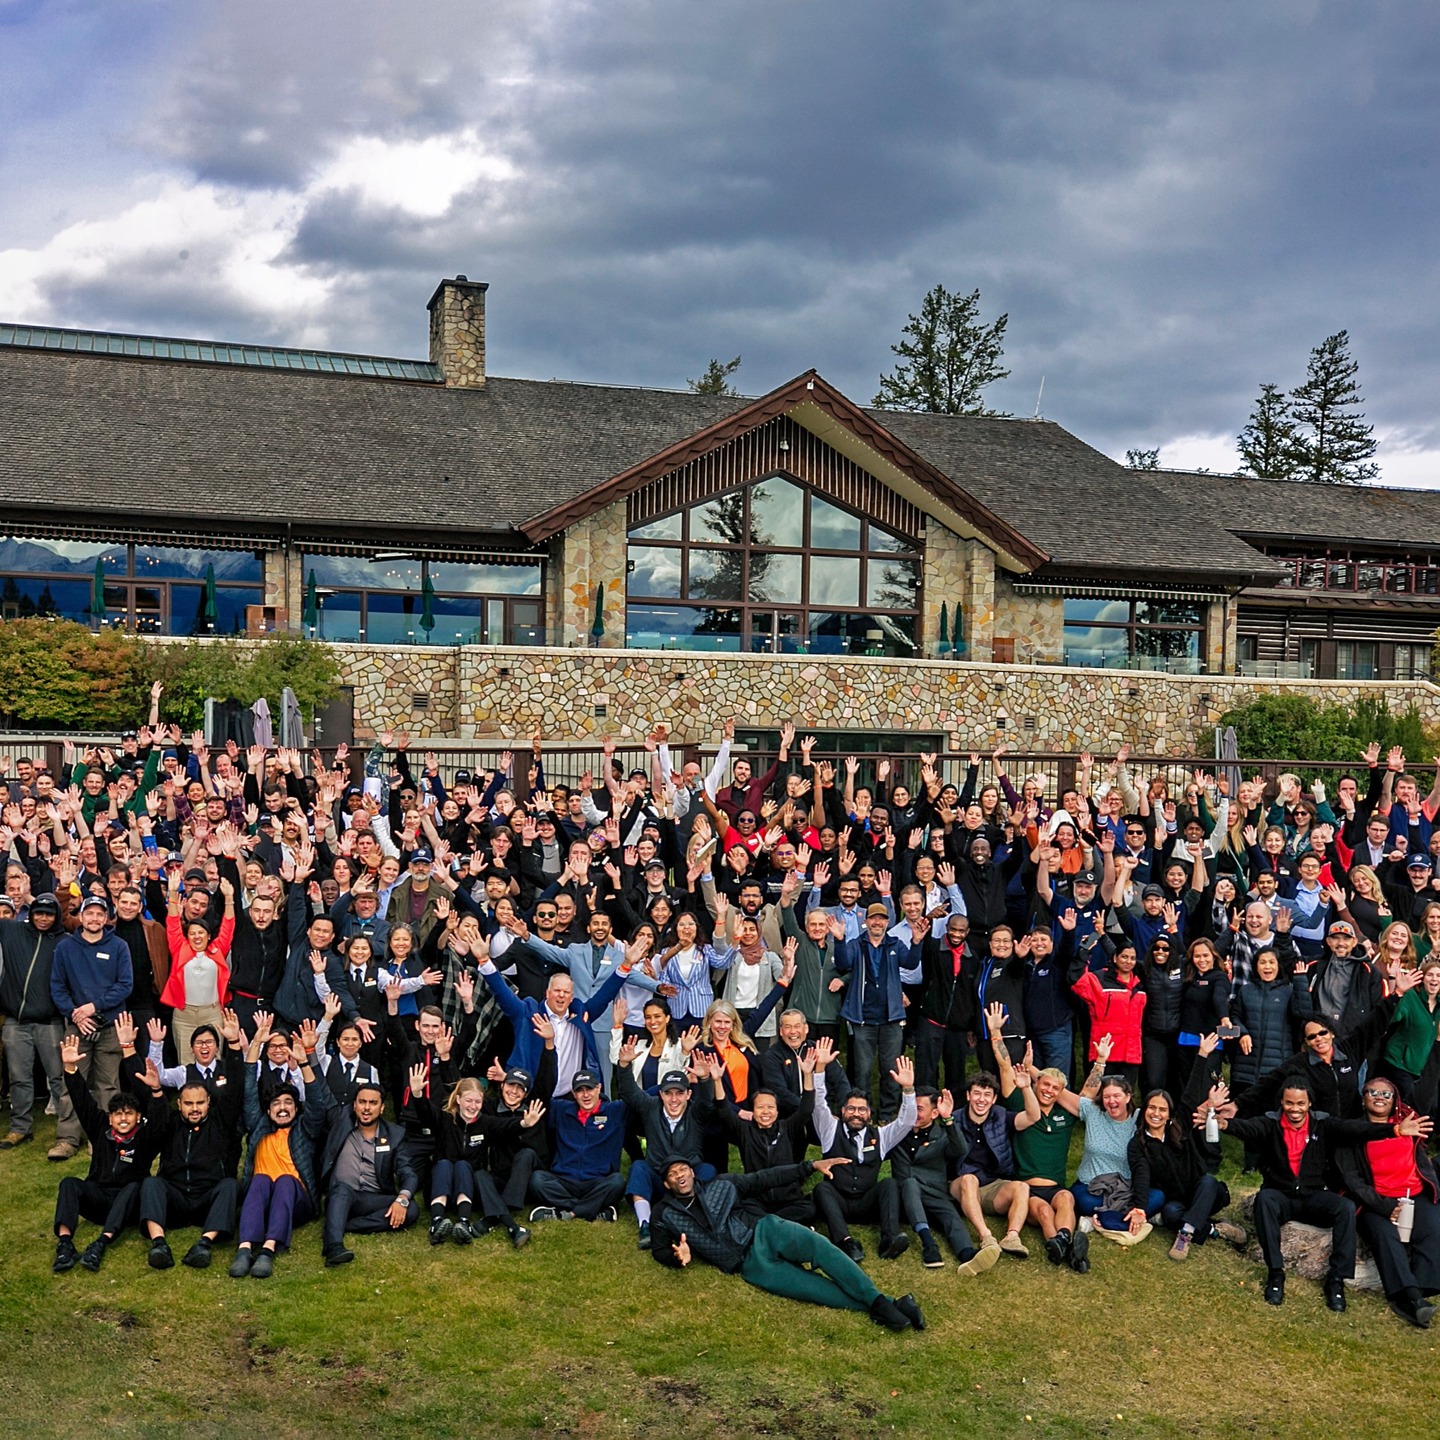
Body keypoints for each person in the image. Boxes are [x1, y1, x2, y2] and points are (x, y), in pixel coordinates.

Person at [650, 1156, 925, 1332]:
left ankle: (877, 1300)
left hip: (766, 1230)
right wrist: (677, 1257)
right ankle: (893, 1305)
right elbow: (660, 1249)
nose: (680, 1175)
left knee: (820, 1248)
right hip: (750, 1264)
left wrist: (809, 1166)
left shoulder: (722, 1185)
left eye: (683, 1169)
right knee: (814, 1289)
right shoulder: (664, 1214)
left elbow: (766, 1177)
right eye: (673, 1174)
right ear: (666, 1183)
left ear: (692, 1172)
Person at [1214, 1079, 1391, 1309]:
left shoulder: (1322, 1124)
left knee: (1345, 1207)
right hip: (1281, 1196)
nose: (1294, 1109)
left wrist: (1394, 1130)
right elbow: (1249, 1128)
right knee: (1264, 1199)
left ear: (1309, 1104)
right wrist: (1225, 1125)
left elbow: (1357, 1129)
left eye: (1300, 1103)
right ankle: (1275, 1274)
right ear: (1282, 1102)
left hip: (1312, 1197)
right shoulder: (1271, 1123)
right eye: (1289, 1103)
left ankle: (1336, 1280)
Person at [128, 1027, 245, 1271]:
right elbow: (149, 1101)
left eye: (200, 1103)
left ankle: (204, 1244)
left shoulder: (220, 1121)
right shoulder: (170, 1122)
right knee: (151, 1183)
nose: (194, 1109)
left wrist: (234, 1044)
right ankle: (159, 1244)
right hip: (176, 1200)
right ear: (179, 1104)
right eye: (189, 1103)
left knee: (230, 1185)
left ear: (209, 1102)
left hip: (207, 1200)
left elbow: (235, 1087)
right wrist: (156, 1090)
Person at [1334, 1072, 1440, 1327]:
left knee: (1433, 1228)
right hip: (1374, 1201)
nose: (1379, 1097)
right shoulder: (1351, 1132)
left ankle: (1422, 1288)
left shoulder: (1408, 1123)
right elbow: (1352, 1180)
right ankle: (1408, 1297)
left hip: (1414, 1193)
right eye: (1373, 1092)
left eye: (1386, 1094)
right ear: (1363, 1099)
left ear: (1394, 1100)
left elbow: (1426, 1084)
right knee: (1385, 1235)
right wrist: (1385, 1206)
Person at [229, 1015, 331, 1278]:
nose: (283, 1108)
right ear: (268, 1110)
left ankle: (268, 1250)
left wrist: (304, 1062)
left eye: (288, 1103)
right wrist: (256, 1044)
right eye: (276, 1104)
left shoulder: (304, 1129)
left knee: (285, 1180)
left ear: (296, 1108)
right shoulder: (259, 1125)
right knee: (260, 1179)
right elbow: (248, 1088)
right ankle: (244, 1250)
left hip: (297, 1201)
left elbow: (317, 1102)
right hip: (261, 1198)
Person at [1128, 1036, 1247, 1261]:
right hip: (1178, 1202)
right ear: (1144, 1111)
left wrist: (1202, 1055)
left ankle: (1184, 1236)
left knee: (1209, 1181)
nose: (1156, 1113)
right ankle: (1214, 1229)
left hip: (1205, 1193)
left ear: (1169, 1114)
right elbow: (1141, 1176)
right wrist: (1140, 1208)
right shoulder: (1138, 1144)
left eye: (1162, 1109)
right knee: (1170, 1214)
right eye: (1152, 1108)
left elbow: (1190, 1093)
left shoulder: (1179, 1126)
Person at [52, 1028, 160, 1274]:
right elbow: (82, 1100)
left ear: (138, 1117)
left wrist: (155, 1092)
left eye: (129, 1114)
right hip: (99, 1199)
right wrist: (70, 1068)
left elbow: (159, 1118)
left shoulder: (146, 1137)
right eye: (117, 1114)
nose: (123, 1118)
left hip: (129, 1204)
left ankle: (101, 1243)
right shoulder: (100, 1128)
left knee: (135, 1186)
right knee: (69, 1183)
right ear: (110, 1118)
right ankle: (65, 1243)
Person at [810, 1045, 917, 1263]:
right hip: (837, 1202)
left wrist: (908, 1089)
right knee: (822, 1188)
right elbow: (818, 1104)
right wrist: (819, 1068)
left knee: (889, 1184)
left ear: (869, 1114)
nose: (856, 1114)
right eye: (851, 1109)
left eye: (862, 1110)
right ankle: (845, 1241)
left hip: (867, 1204)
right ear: (842, 1111)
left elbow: (906, 1122)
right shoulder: (829, 1130)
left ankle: (889, 1239)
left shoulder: (881, 1136)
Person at [0, 891, 85, 1159]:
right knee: (19, 1078)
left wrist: (64, 887)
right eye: (38, 913)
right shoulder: (11, 931)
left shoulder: (65, 942)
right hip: (15, 1021)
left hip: (50, 1022)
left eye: (49, 914)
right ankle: (20, 1128)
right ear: (30, 913)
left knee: (60, 1077)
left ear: (56, 916)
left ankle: (69, 1129)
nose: (43, 918)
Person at [415, 1072, 540, 1250]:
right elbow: (426, 1113)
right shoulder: (445, 1119)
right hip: (439, 1188)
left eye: (478, 1102)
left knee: (470, 1169)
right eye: (468, 1100)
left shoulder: (485, 1123)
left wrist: (524, 1124)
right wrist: (417, 1094)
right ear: (458, 1099)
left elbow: (506, 1126)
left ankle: (465, 1222)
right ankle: (437, 1221)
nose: (473, 1106)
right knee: (444, 1164)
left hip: (468, 1191)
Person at [316, 1080, 420, 1267]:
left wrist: (402, 1199)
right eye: (362, 1102)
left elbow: (408, 1172)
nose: (366, 1108)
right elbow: (321, 1091)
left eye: (373, 1103)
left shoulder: (395, 1134)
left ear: (382, 1108)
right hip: (342, 1195)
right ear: (354, 1105)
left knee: (411, 1209)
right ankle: (334, 1247)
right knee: (341, 1190)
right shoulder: (341, 1122)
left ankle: (343, 1224)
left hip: (372, 1199)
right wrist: (306, 1064)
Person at [892, 1084, 991, 1273]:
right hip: (904, 1197)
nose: (914, 1113)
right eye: (911, 1108)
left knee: (951, 1216)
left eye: (919, 1109)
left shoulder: (943, 1136)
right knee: (910, 1183)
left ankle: (967, 1254)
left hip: (934, 1195)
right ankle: (929, 1245)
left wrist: (948, 1119)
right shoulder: (897, 1133)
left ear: (934, 1113)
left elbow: (960, 1150)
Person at [51, 893, 134, 1113]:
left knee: (109, 1085)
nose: (94, 918)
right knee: (72, 1083)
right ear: (81, 916)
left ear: (106, 918)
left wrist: (93, 1007)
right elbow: (58, 987)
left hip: (110, 1026)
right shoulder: (65, 948)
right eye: (89, 913)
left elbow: (125, 985)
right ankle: (68, 1132)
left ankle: (108, 1130)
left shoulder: (119, 946)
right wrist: (75, 1014)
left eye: (99, 914)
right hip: (77, 1028)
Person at [1070, 1066, 1162, 1244]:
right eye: (1107, 1097)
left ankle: (1098, 1220)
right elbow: (1056, 1089)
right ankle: (1133, 1219)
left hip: (1127, 1188)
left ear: (1127, 1097)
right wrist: (1029, 1070)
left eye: (1117, 1096)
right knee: (1084, 1201)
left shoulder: (1140, 1118)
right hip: (1092, 1186)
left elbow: (1170, 1115)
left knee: (1158, 1197)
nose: (1111, 1101)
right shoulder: (1092, 1111)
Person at [529, 1064, 628, 1224]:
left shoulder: (615, 1111)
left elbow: (639, 1097)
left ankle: (565, 1212)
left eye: (589, 1089)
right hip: (564, 1180)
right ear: (573, 1094)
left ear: (599, 1088)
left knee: (617, 1182)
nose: (585, 1095)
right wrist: (549, 1052)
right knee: (537, 1180)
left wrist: (624, 1067)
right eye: (580, 1090)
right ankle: (594, 1210)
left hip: (597, 1181)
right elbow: (541, 1092)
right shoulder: (561, 1109)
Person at [161, 872, 237, 1063]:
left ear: (209, 935)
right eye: (192, 933)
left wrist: (229, 898)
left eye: (201, 933)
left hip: (212, 1013)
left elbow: (228, 928)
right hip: (184, 1015)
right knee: (186, 1062)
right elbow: (172, 924)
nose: (197, 937)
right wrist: (172, 892)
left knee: (213, 1062)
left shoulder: (217, 950)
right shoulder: (180, 948)